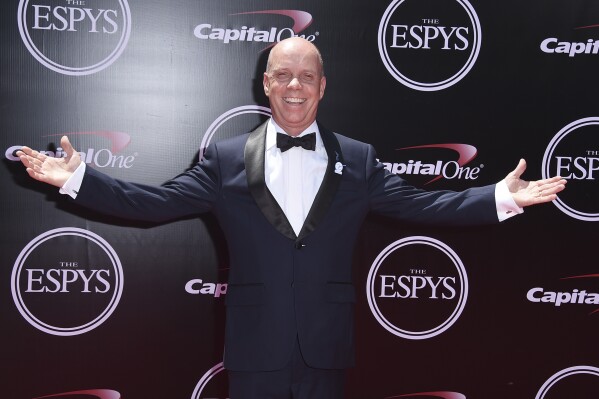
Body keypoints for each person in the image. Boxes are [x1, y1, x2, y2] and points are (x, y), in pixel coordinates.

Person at [17, 37, 566, 399]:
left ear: (323, 86)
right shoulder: (224, 158)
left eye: (307, 76)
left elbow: (425, 205)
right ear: (267, 84)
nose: (295, 85)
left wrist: (499, 196)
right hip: (256, 344)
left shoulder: (359, 158)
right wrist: (75, 178)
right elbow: (154, 203)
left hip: (327, 344)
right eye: (284, 75)